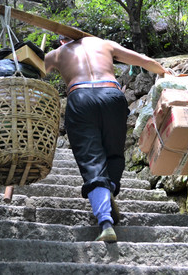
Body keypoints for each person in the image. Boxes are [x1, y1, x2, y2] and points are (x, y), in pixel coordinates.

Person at [44, 35, 172, 243]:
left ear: (61, 41)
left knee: (91, 158)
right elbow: (144, 61)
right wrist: (165, 72)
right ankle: (109, 187)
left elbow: (31, 72)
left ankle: (105, 222)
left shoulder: (57, 54)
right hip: (112, 95)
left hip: (81, 97)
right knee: (113, 152)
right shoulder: (104, 43)